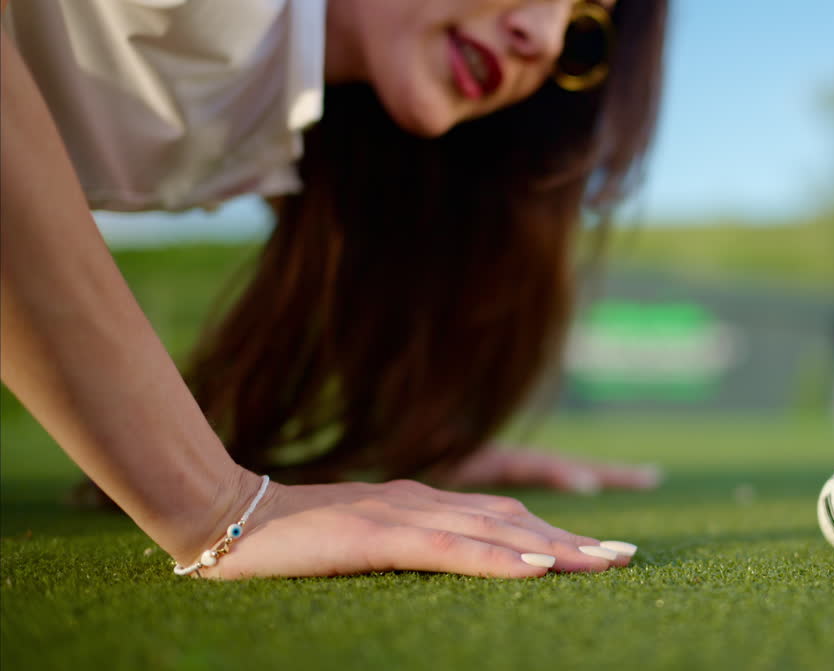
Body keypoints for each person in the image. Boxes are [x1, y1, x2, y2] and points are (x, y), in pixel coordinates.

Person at [0, 0, 668, 579]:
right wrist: (220, 508)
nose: (546, 41)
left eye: (580, 28)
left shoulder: (284, 107)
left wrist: (416, 446)